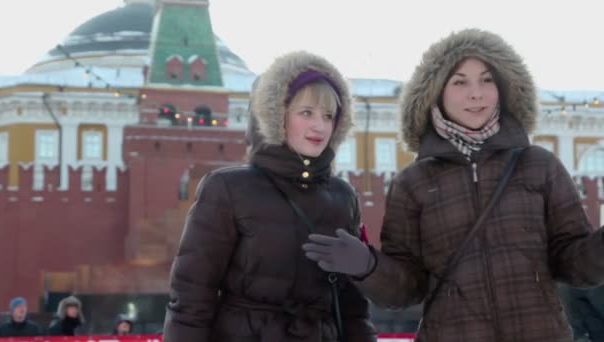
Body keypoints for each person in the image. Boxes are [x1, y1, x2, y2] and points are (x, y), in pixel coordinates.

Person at [303, 28, 604, 341]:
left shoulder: (539, 165)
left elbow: (575, 265)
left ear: (502, 87)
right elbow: (406, 289)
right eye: (460, 82)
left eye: (487, 80)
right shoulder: (414, 183)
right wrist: (367, 266)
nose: (476, 93)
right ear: (437, 92)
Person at [162, 51, 377, 342]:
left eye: (328, 115)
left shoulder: (342, 196)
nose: (320, 126)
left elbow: (352, 306)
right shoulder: (229, 188)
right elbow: (192, 295)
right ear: (277, 117)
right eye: (306, 113)